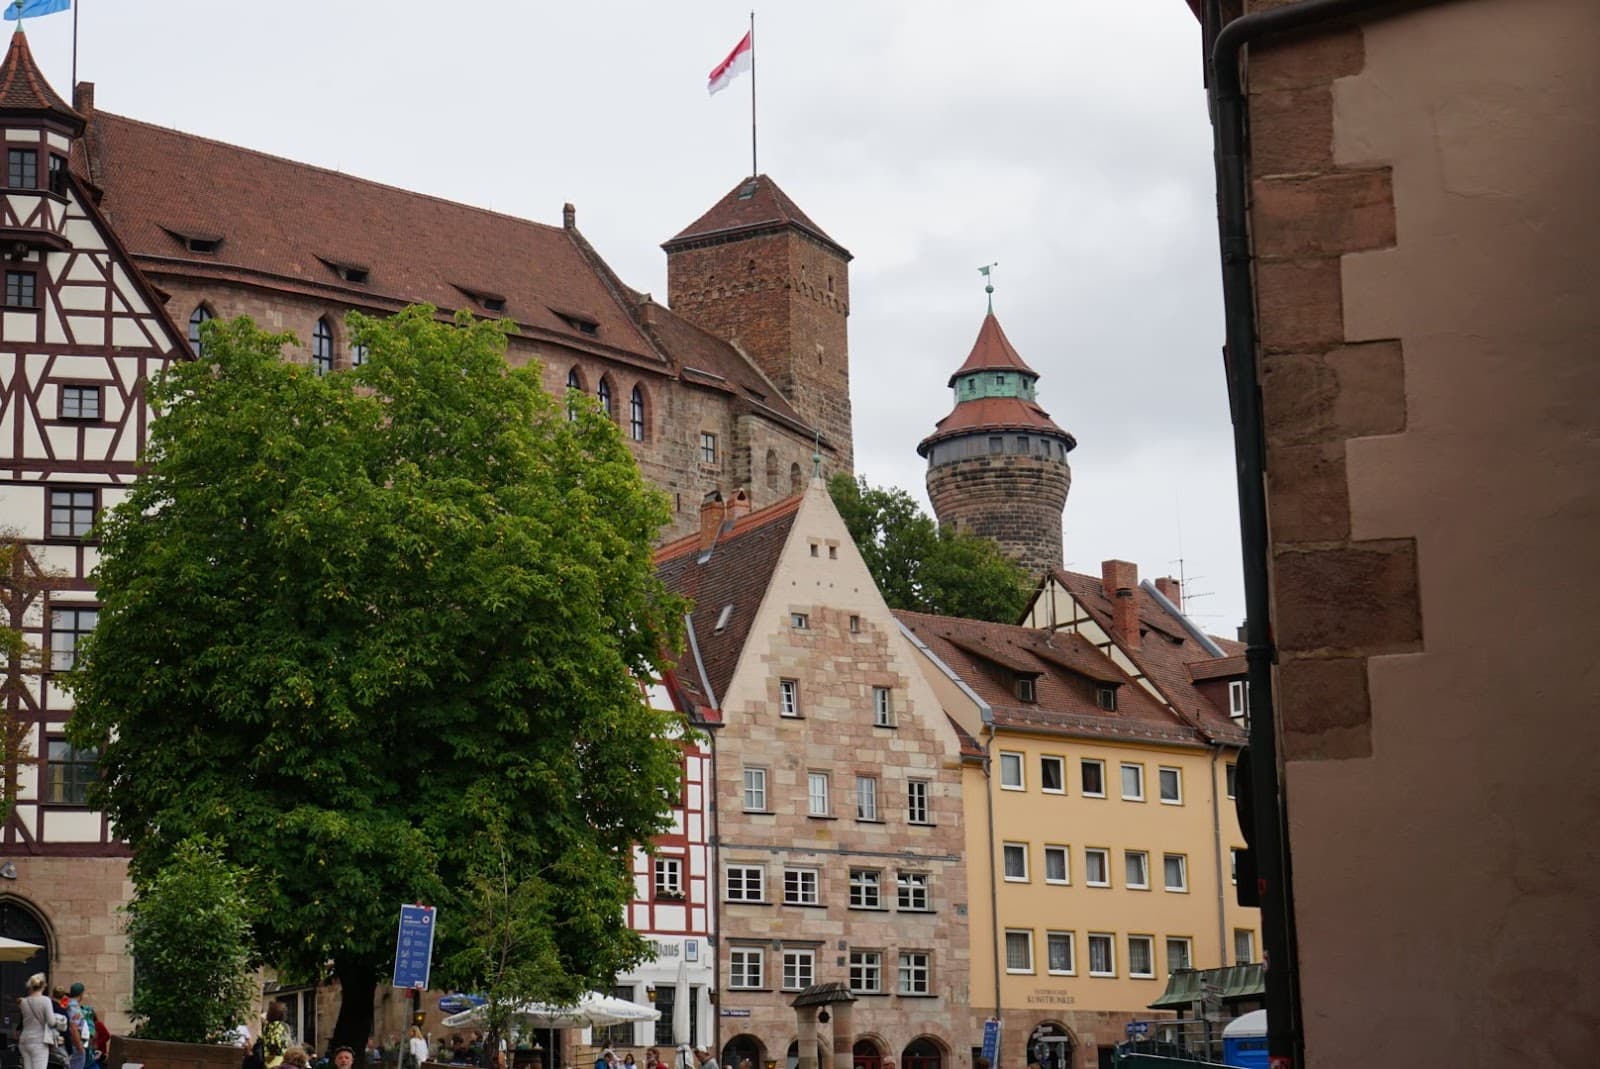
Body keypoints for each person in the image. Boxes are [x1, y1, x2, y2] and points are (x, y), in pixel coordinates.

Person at [18, 973, 58, 1069]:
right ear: (44, 985)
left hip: (24, 1039)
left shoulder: (23, 1001)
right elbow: (51, 1022)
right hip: (39, 1041)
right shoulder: (45, 1000)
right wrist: (58, 1020)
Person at [65, 983, 90, 1069]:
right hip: (74, 1043)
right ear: (81, 994)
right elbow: (73, 1028)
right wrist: (79, 1046)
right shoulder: (75, 1008)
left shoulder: (65, 1004)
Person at [261, 1004, 291, 1069]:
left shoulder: (266, 1027)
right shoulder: (282, 1026)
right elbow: (276, 1042)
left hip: (267, 1058)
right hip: (279, 1058)